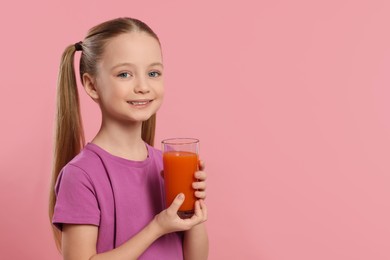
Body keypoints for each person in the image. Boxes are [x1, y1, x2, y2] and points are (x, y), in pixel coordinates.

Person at [48, 17, 208, 259]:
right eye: (124, 74)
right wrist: (157, 227)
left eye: (153, 72)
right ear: (91, 85)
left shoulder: (165, 164)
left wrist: (193, 214)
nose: (143, 86)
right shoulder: (81, 175)